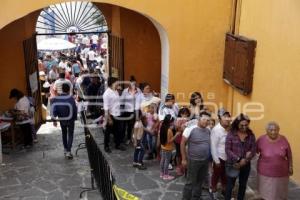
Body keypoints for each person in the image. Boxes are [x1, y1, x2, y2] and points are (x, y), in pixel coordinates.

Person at [256, 121, 293, 200]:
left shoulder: (283, 139)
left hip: (282, 172)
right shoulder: (261, 139)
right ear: (266, 131)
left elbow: (289, 154)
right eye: (271, 130)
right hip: (265, 172)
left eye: (276, 130)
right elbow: (254, 151)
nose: (273, 132)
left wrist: (290, 166)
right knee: (266, 193)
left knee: (280, 193)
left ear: (278, 130)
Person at [225, 113, 256, 200]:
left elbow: (253, 149)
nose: (244, 127)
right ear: (237, 124)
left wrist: (245, 160)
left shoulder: (251, 135)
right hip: (233, 164)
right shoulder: (231, 134)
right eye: (241, 125)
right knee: (230, 186)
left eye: (246, 125)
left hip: (246, 165)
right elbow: (227, 150)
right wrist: (238, 159)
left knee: (243, 185)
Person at [181, 111, 211, 200]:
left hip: (205, 160)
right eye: (204, 119)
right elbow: (182, 143)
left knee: (200, 181)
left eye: (208, 120)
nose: (206, 121)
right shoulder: (190, 129)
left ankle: (196, 197)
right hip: (193, 160)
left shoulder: (208, 130)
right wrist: (183, 159)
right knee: (190, 182)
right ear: (199, 119)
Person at [51, 83, 77, 159]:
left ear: (62, 89)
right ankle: (68, 151)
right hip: (70, 119)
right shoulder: (71, 98)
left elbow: (53, 110)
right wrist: (75, 117)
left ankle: (66, 149)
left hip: (62, 119)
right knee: (70, 134)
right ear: (69, 90)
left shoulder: (56, 99)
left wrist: (54, 120)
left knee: (64, 133)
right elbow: (74, 109)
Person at [210, 108, 231, 199]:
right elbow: (213, 146)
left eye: (228, 116)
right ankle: (213, 192)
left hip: (228, 158)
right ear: (219, 118)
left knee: (225, 176)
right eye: (224, 116)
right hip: (219, 158)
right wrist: (216, 160)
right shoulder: (216, 130)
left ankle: (224, 191)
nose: (227, 119)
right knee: (216, 175)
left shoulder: (229, 128)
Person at [103, 77, 126, 153]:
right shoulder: (106, 94)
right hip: (111, 115)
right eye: (116, 83)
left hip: (118, 114)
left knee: (118, 130)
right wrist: (109, 118)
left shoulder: (115, 91)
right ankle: (106, 146)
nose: (118, 84)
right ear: (112, 83)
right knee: (108, 132)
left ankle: (118, 144)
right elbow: (106, 108)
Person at [121, 76, 142, 145]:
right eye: (132, 84)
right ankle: (128, 138)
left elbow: (141, 100)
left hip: (136, 111)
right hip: (127, 111)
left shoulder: (138, 90)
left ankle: (134, 138)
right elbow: (122, 101)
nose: (134, 86)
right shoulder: (125, 91)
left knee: (135, 125)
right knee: (129, 126)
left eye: (135, 84)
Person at [160, 114, 180, 180]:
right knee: (167, 161)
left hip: (163, 147)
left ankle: (162, 173)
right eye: (173, 121)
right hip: (168, 148)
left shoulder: (163, 126)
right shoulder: (169, 130)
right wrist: (176, 135)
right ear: (170, 122)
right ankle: (166, 175)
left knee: (162, 160)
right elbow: (169, 141)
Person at [174, 107, 190, 176]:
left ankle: (184, 167)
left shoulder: (189, 120)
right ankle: (178, 167)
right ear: (180, 114)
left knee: (185, 153)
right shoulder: (178, 120)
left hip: (186, 139)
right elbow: (177, 129)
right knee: (178, 153)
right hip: (179, 139)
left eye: (186, 114)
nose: (184, 115)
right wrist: (181, 124)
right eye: (183, 114)